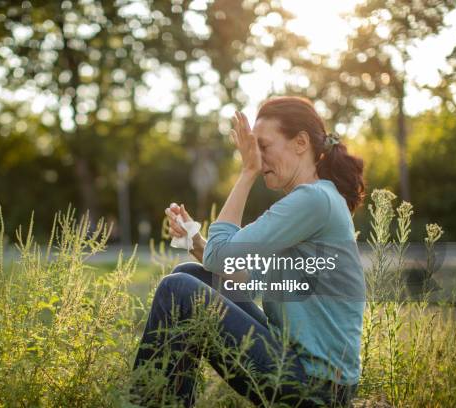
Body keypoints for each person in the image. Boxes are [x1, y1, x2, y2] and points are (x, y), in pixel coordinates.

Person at [131, 96, 366, 407]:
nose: (257, 156)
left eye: (263, 146)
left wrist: (247, 172)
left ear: (300, 143)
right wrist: (196, 242)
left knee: (178, 290)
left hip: (315, 388)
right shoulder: (313, 201)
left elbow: (224, 257)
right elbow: (241, 273)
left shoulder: (313, 200)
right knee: (188, 276)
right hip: (307, 376)